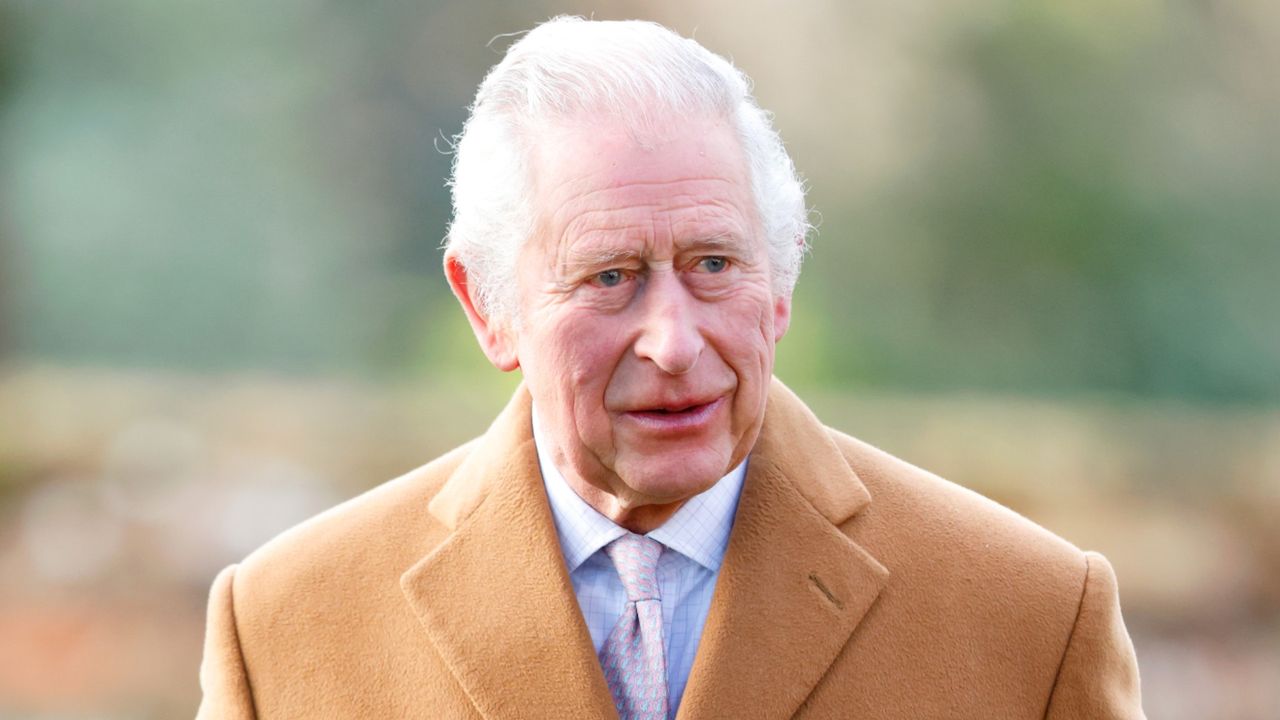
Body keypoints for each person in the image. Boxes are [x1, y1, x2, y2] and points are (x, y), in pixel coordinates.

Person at [196, 17, 1144, 720]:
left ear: (779, 285)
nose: (674, 342)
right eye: (610, 276)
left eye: (715, 265)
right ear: (489, 306)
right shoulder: (283, 629)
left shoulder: (1033, 617)